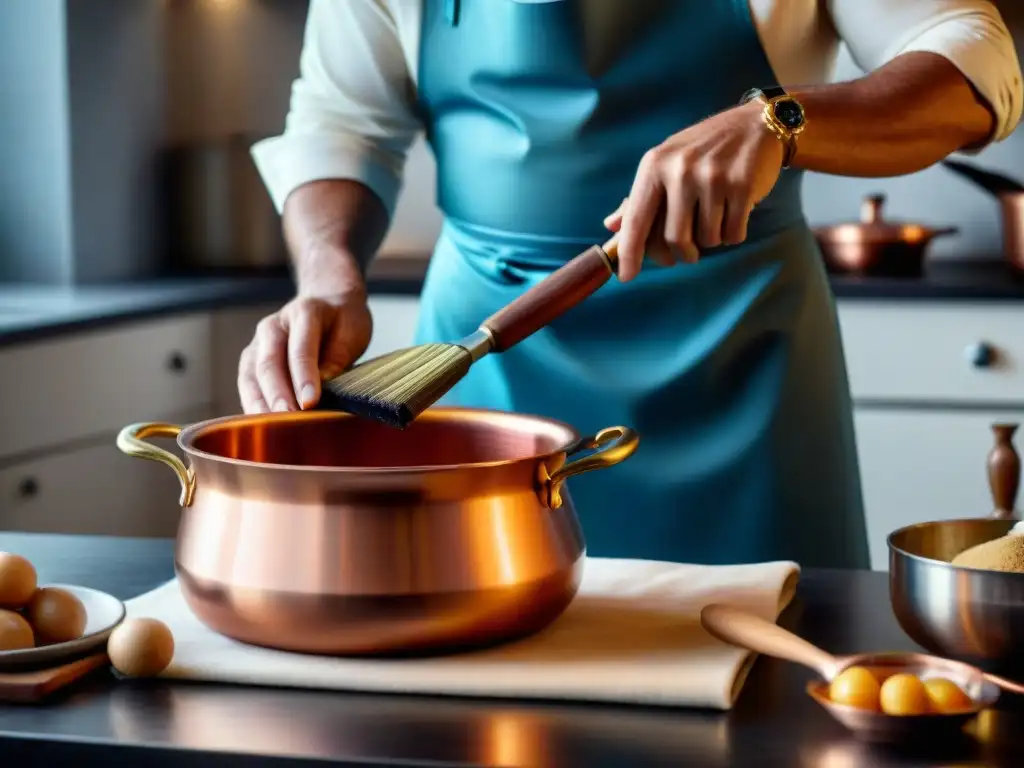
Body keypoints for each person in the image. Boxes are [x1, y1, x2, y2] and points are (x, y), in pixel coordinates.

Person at [241, 0, 1022, 569]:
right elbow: (340, 124)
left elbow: (973, 54)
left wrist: (780, 121)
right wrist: (328, 279)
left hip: (743, 358)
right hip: (485, 375)